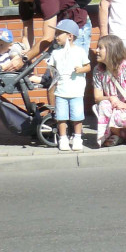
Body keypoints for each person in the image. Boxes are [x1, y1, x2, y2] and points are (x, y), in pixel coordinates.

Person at [0, 0, 91, 72]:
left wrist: (24, 59)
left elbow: (48, 37)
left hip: (77, 28)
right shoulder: (24, 2)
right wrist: (24, 56)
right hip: (60, 31)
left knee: (73, 71)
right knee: (56, 73)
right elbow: (27, 36)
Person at [47, 19, 91, 152]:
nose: (56, 37)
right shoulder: (56, 53)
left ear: (70, 36)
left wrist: (80, 70)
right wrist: (54, 77)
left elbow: (88, 66)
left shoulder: (80, 52)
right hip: (61, 91)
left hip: (76, 91)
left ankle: (77, 138)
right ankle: (63, 138)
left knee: (77, 117)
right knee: (61, 117)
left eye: (59, 33)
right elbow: (52, 68)